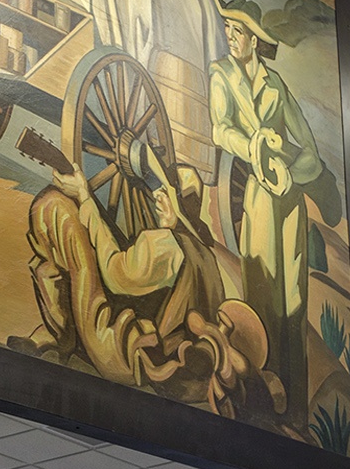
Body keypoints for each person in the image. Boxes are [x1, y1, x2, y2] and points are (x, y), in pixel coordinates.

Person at [209, 0, 325, 420]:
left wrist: (292, 173)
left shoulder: (276, 85)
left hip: (289, 203)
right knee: (261, 292)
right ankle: (261, 399)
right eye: (227, 28)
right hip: (258, 197)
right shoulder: (220, 74)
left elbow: (310, 150)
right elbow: (220, 130)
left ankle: (295, 410)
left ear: (255, 39)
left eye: (237, 30)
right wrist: (254, 148)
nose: (230, 36)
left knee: (293, 302)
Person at [20, 150, 224, 386]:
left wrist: (84, 196)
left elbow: (115, 273)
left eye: (167, 196)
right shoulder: (205, 258)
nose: (158, 198)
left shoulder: (168, 247)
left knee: (56, 207)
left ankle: (61, 333)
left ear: (179, 210)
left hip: (125, 352)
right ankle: (59, 334)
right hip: (158, 350)